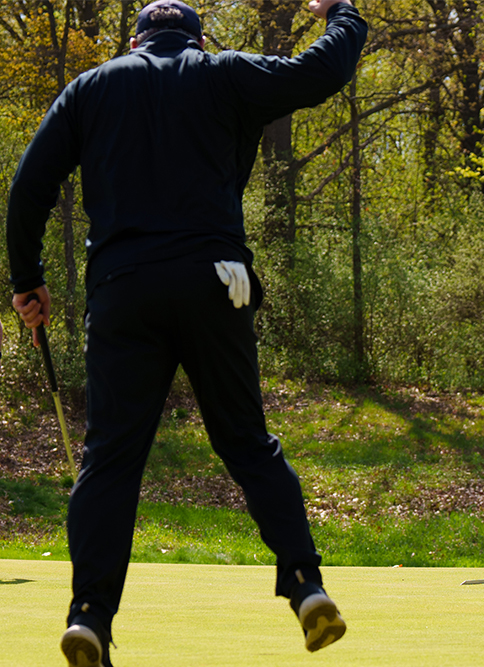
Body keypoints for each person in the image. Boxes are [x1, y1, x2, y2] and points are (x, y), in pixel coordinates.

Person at [6, 1, 367, 664]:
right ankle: (305, 585)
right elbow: (322, 73)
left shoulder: (92, 87)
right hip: (215, 281)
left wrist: (28, 281)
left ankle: (89, 616)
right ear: (199, 39)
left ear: (135, 40)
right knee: (247, 444)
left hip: (123, 290)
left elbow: (28, 188)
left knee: (111, 458)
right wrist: (342, 13)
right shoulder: (226, 73)